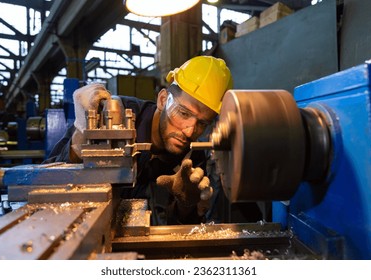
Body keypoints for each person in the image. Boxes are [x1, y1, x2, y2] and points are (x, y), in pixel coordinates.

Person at [45, 55, 233, 225]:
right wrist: (79, 142)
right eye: (183, 113)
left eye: (202, 123)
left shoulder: (192, 156)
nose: (190, 130)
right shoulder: (114, 115)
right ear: (162, 99)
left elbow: (181, 228)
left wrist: (187, 203)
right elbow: (46, 184)